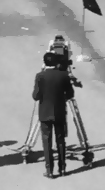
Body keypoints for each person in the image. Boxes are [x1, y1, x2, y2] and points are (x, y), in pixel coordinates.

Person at [32, 51, 75, 179]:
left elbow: (36, 96)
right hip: (59, 112)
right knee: (61, 140)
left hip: (45, 113)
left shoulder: (40, 76)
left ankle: (49, 170)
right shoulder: (64, 75)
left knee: (47, 142)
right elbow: (70, 94)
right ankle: (62, 168)